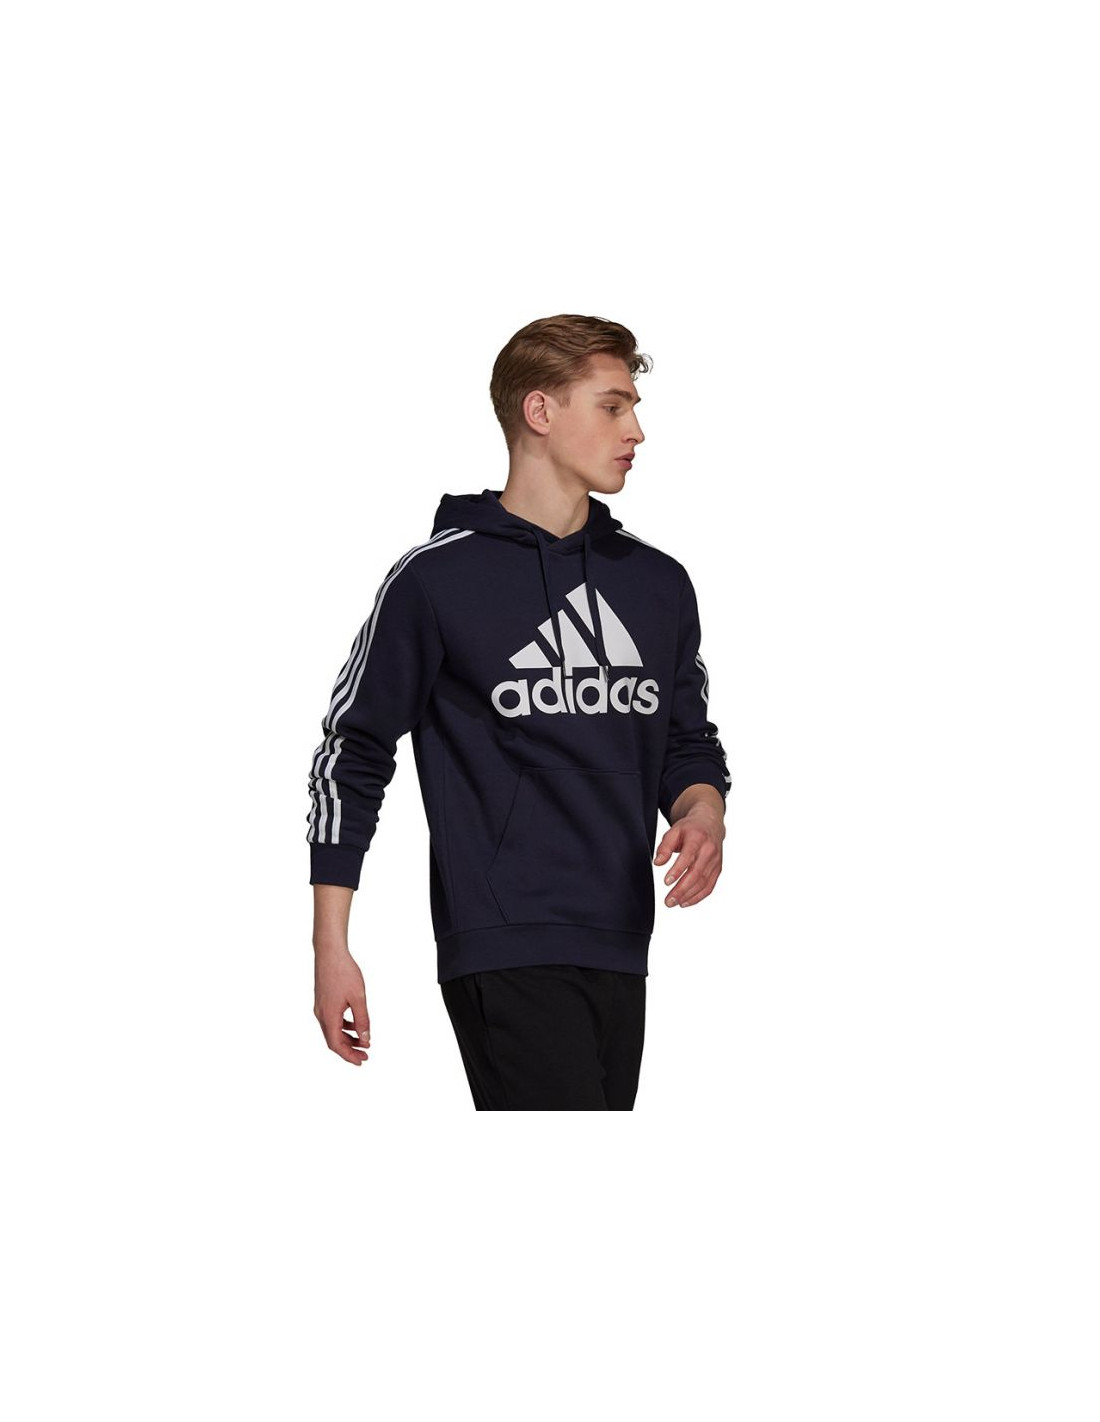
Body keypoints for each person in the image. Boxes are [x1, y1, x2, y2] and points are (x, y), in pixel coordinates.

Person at [306, 314, 730, 1110]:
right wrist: (332, 946)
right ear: (540, 411)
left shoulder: (657, 584)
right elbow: (351, 753)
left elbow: (687, 742)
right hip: (504, 941)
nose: (636, 431)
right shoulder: (435, 581)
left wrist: (703, 812)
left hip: (622, 939)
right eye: (612, 407)